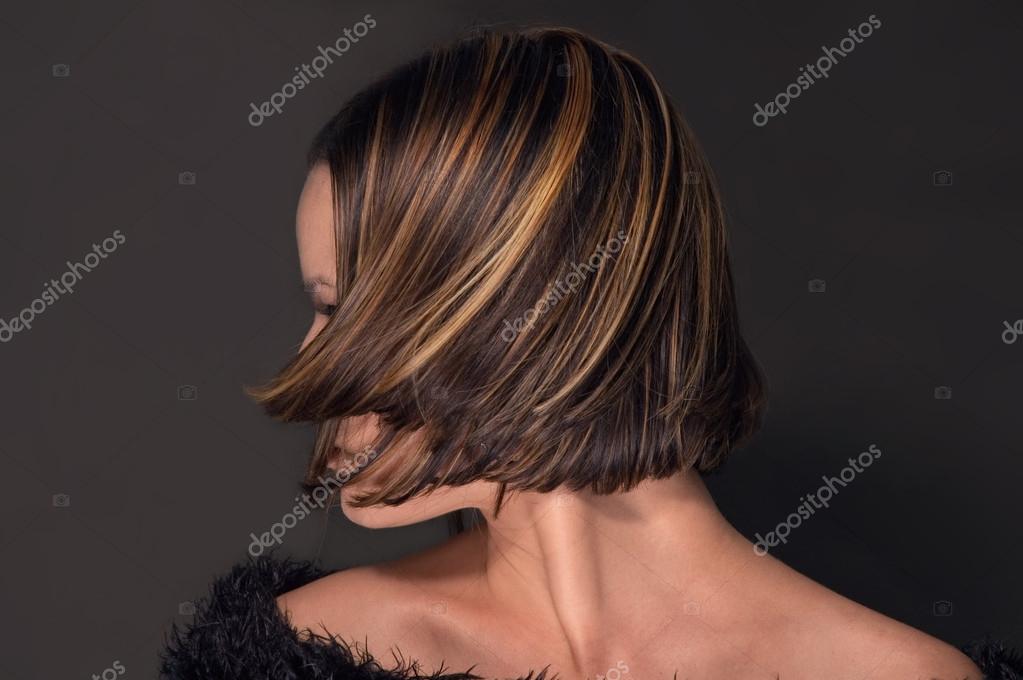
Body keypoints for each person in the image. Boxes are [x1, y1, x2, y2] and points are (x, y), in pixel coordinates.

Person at [161, 27, 1021, 680]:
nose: (313, 370)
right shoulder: (295, 654)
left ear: (534, 307)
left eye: (342, 310)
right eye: (323, 308)